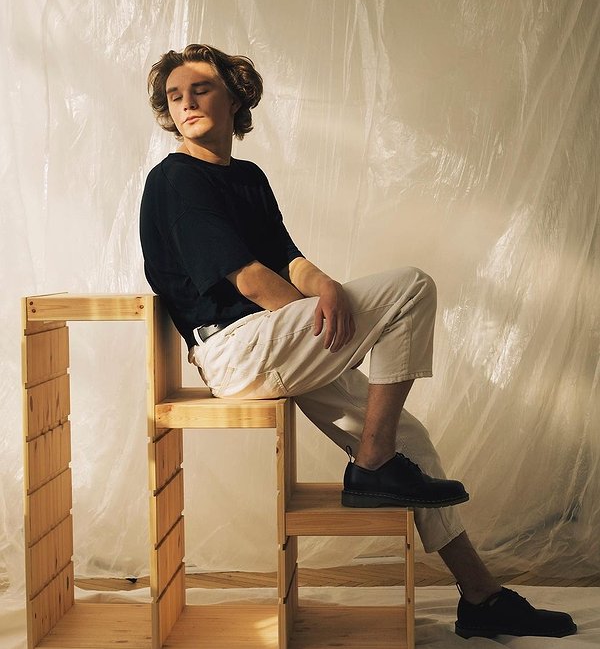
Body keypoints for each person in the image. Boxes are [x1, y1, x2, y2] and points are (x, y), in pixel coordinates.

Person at [139, 43, 576, 639]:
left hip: (274, 339)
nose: (186, 103)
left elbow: (287, 260)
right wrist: (328, 328)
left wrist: (328, 288)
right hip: (236, 348)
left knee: (410, 441)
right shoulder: (175, 180)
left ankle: (481, 597)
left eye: (200, 89)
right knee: (412, 287)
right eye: (174, 96)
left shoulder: (247, 178)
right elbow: (248, 278)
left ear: (235, 98)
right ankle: (371, 465)